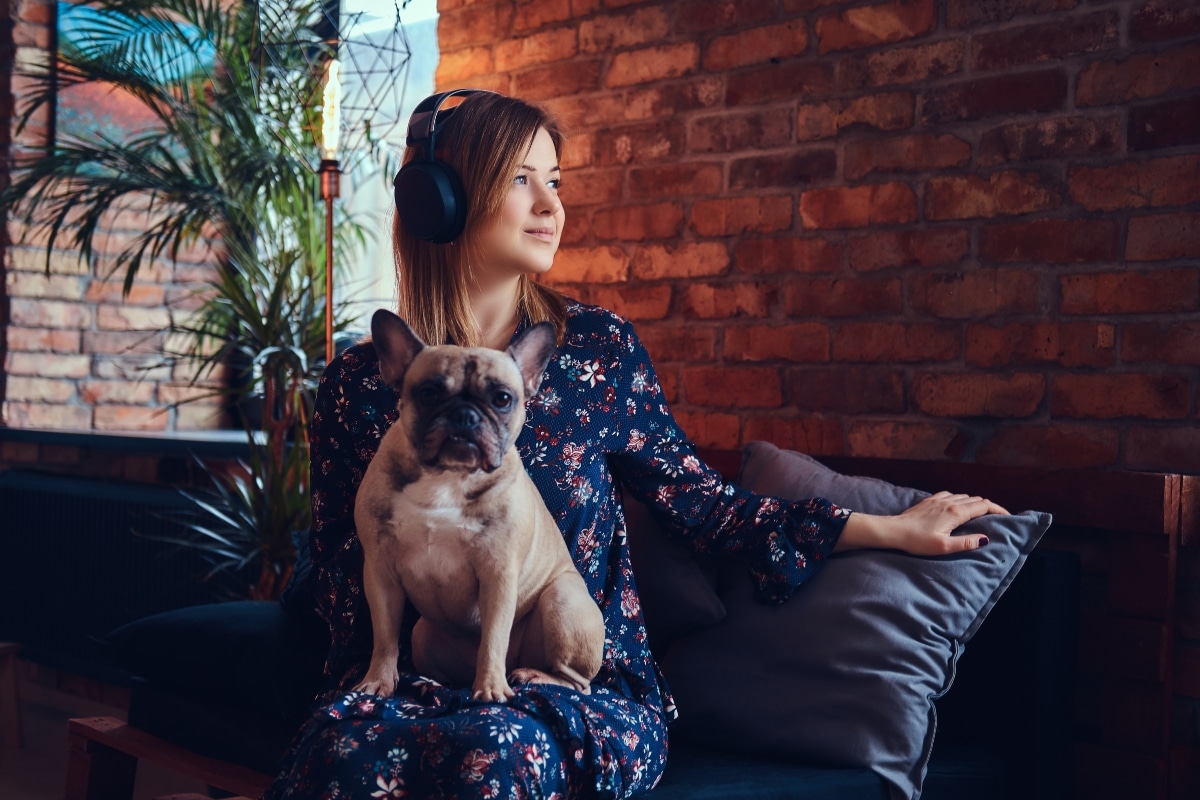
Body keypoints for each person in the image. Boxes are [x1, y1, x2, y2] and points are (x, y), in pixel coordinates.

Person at [262, 91, 1006, 800]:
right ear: (438, 199)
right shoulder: (362, 381)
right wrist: (375, 648)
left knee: (488, 759)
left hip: (578, 685)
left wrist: (889, 530)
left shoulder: (598, 352)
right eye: (521, 180)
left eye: (554, 181)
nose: (552, 205)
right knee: (342, 757)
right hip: (417, 675)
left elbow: (705, 507)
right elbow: (335, 551)